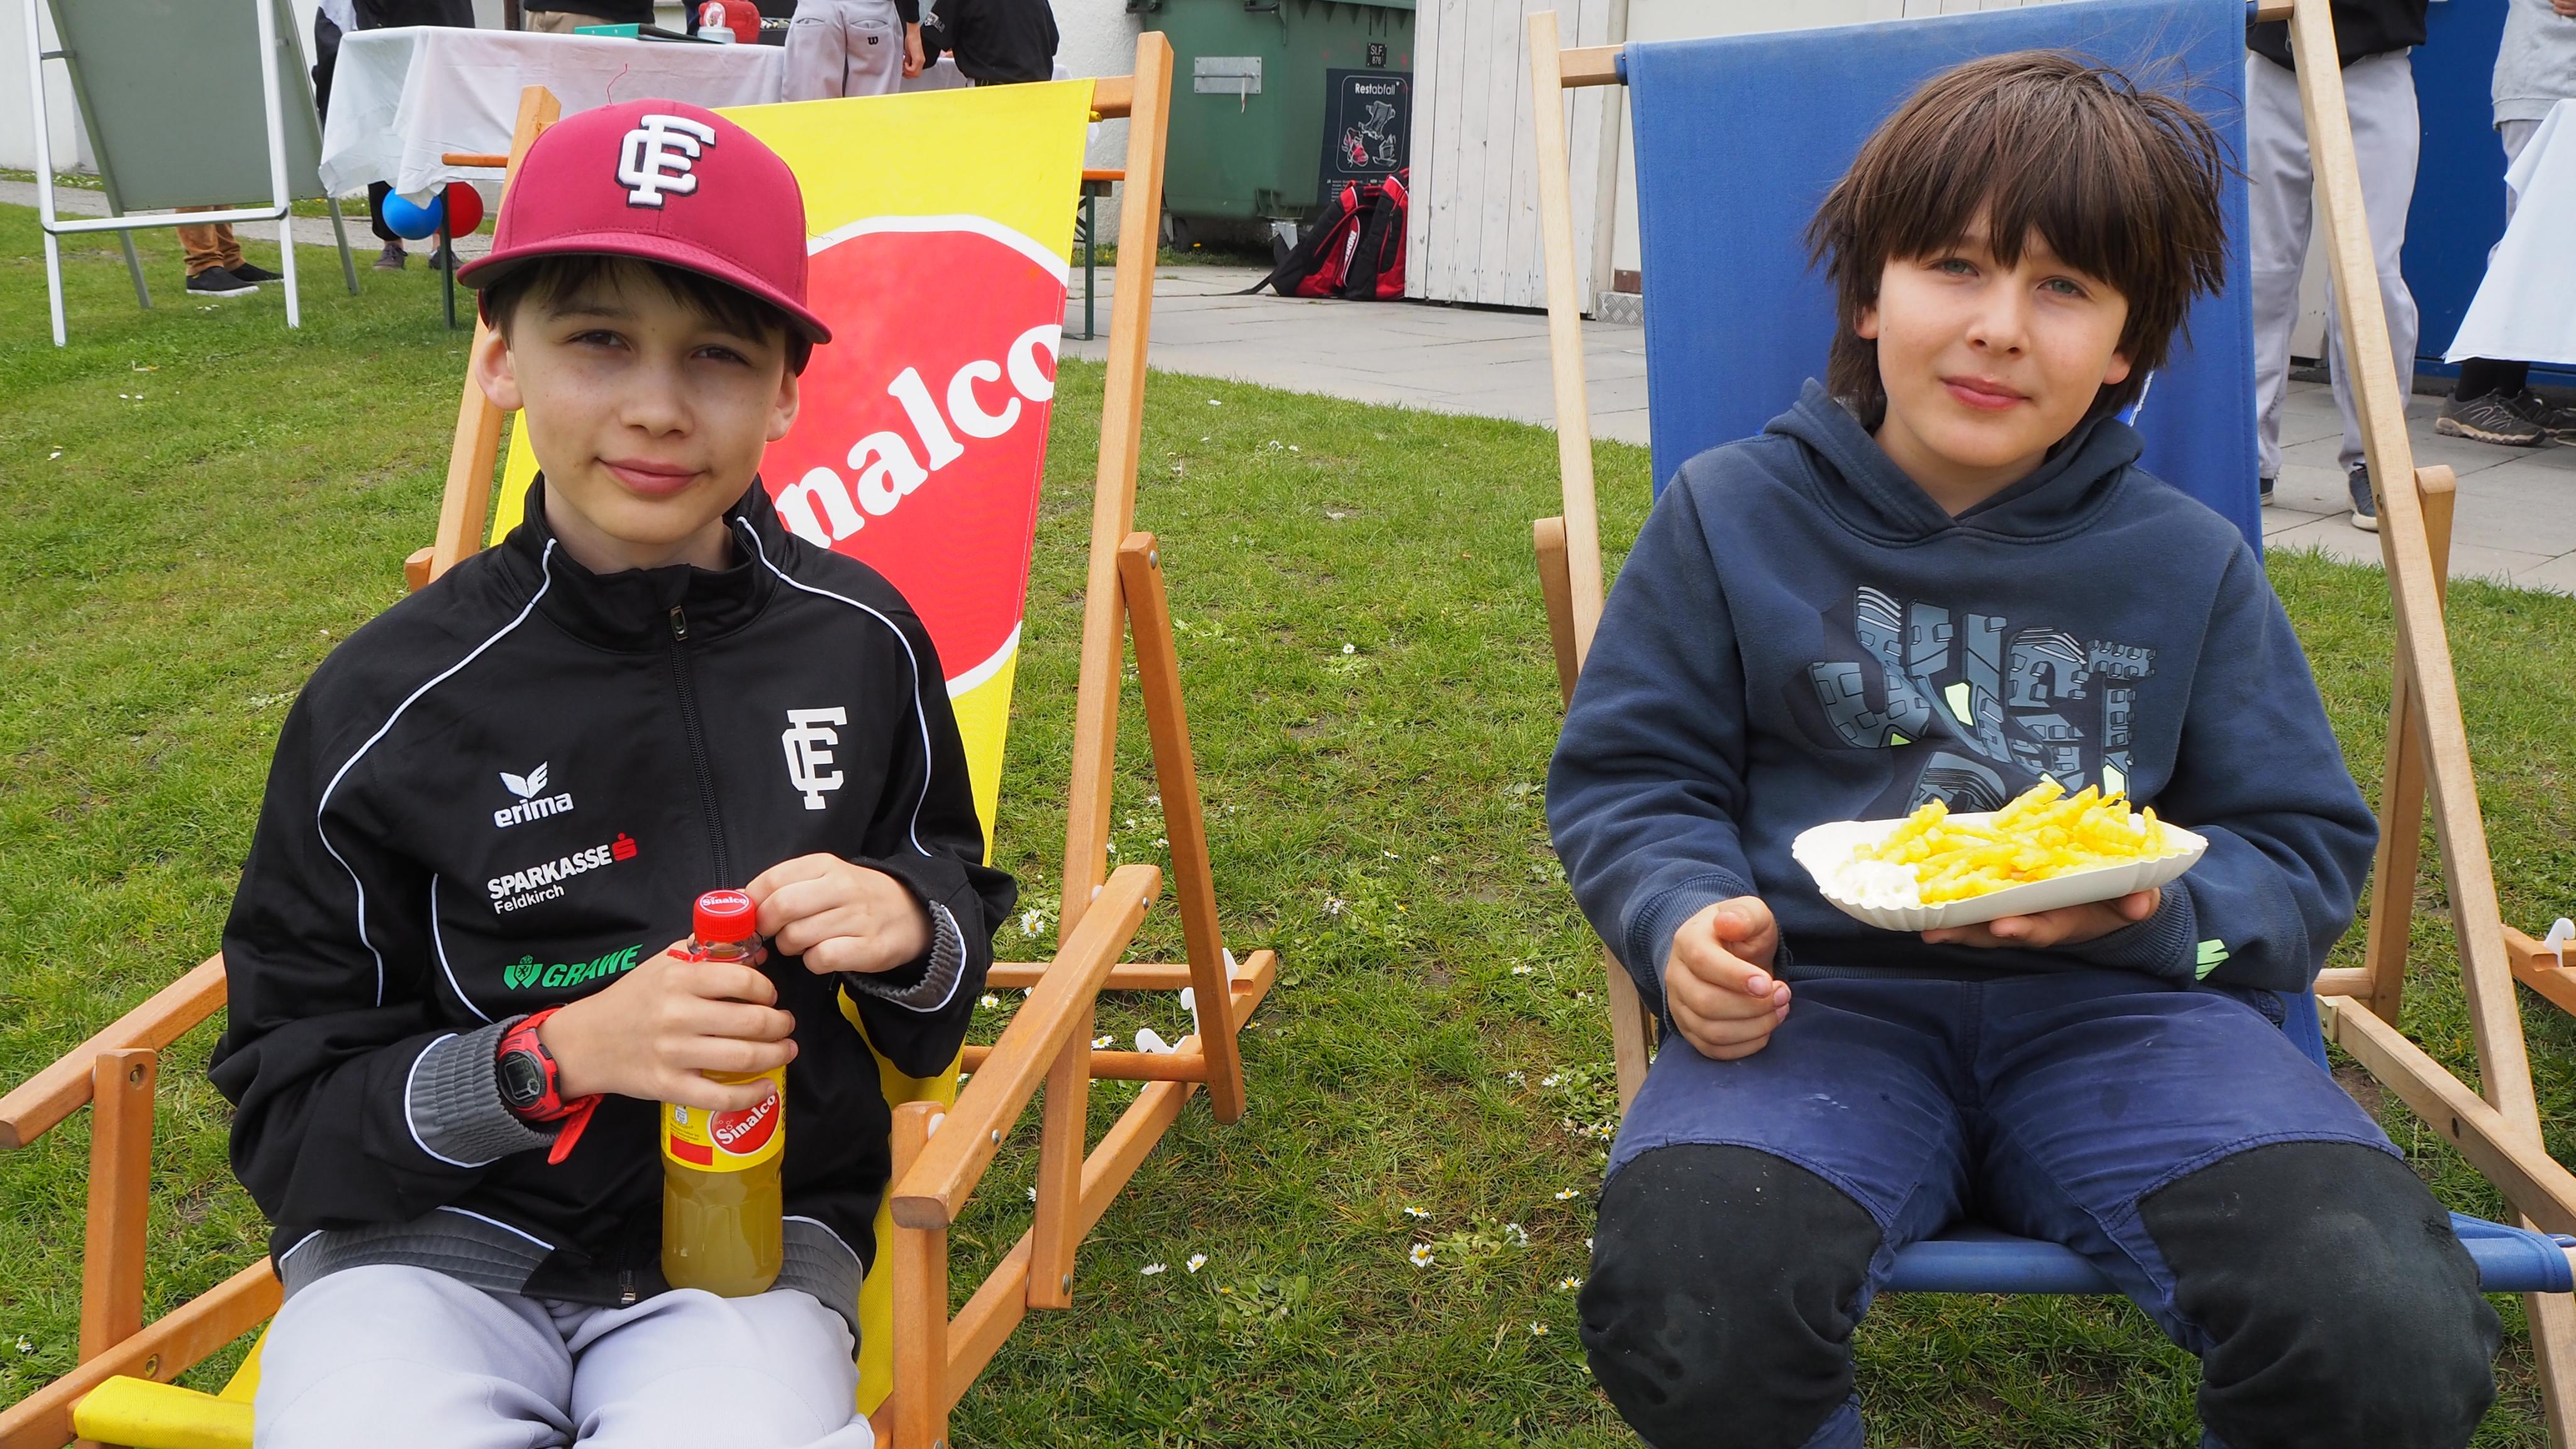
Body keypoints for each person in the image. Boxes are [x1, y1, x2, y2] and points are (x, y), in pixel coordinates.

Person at [1551, 53, 2500, 1449]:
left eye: (2063, 286)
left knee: (2383, 1329)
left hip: (2136, 1020)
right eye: (1953, 265)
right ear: (1868, 296)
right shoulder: (1728, 516)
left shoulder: (2184, 562)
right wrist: (1682, 915)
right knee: (1693, 1298)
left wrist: (2158, 914)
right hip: (1817, 1007)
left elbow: (2299, 844)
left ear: (2126, 348)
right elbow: (1638, 780)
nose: (1998, 327)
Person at [209, 99, 1013, 1449]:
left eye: (717, 355)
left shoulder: (862, 640)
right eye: (597, 339)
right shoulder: (384, 700)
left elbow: (945, 936)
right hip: (422, 1252)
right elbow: (290, 1113)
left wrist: (912, 924)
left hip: (745, 1255)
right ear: (500, 357)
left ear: (787, 389)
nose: (655, 406)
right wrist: (554, 1057)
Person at [2246, 0, 2426, 531]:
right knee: (2258, 276)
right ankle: (2247, 456)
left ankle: (2377, 461)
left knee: (2371, 277)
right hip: (2274, 66)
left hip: (2373, 66)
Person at [2437, 0, 2576, 448]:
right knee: (2528, 242)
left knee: (2550, 246)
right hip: (2551, 83)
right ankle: (2471, 394)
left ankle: (2508, 391)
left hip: (2556, 83)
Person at [784, 0, 923, 101]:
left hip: (815, 11)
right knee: (873, 113)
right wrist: (913, 29)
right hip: (872, 12)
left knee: (808, 112)